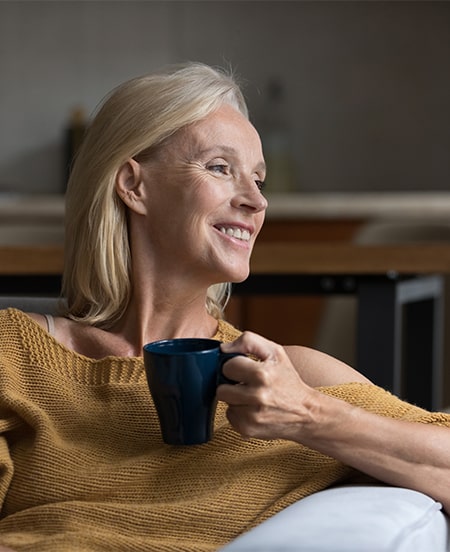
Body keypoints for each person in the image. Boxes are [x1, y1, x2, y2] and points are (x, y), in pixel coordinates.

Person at [0, 62, 449, 552]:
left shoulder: (284, 379)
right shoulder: (14, 356)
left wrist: (307, 414)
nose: (256, 201)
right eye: (220, 167)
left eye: (259, 179)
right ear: (133, 185)